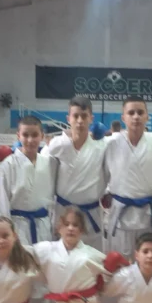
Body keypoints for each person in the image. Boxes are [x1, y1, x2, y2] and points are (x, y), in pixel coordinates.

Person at [0, 115, 56, 303]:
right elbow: (1, 202)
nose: (30, 140)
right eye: (25, 135)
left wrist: (53, 225)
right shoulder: (8, 165)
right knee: (19, 277)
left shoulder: (49, 163)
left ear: (42, 137)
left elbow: (53, 200)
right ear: (18, 136)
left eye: (34, 135)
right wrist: (5, 235)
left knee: (42, 277)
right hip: (18, 227)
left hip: (42, 225)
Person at [41, 97, 108, 251]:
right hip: (63, 211)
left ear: (91, 118)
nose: (79, 121)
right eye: (75, 116)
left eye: (84, 116)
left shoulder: (102, 147)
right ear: (68, 118)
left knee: (91, 257)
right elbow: (41, 170)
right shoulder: (57, 145)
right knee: (61, 255)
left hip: (91, 213)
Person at [105, 96, 152, 259]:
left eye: (140, 112)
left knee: (148, 262)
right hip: (121, 213)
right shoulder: (110, 143)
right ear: (123, 117)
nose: (136, 117)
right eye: (131, 113)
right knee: (119, 262)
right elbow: (102, 174)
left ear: (147, 116)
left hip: (148, 213)